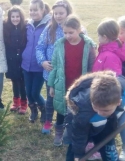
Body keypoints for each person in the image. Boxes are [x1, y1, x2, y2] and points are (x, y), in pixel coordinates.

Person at [47, 15, 96, 146]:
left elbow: (92, 67)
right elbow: (55, 65)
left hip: (80, 85)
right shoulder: (60, 45)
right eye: (65, 32)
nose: (67, 35)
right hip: (63, 84)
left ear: (79, 29)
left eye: (71, 32)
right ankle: (59, 132)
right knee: (61, 109)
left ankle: (73, 134)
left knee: (77, 110)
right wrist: (51, 85)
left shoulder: (88, 45)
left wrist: (90, 85)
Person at [92, 18, 125, 161]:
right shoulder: (104, 50)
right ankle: (98, 147)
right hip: (102, 94)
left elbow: (112, 80)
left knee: (117, 123)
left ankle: (123, 148)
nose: (97, 38)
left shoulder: (110, 56)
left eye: (98, 35)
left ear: (105, 37)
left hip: (110, 97)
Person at [35, 0, 73, 134]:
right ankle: (47, 122)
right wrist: (43, 62)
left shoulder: (74, 29)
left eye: (61, 13)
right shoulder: (49, 28)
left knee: (64, 99)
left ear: (68, 13)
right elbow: (39, 47)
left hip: (67, 72)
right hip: (50, 72)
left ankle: (61, 124)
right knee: (50, 98)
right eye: (55, 13)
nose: (58, 16)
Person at [22, 0, 51, 123]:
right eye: (31, 10)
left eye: (36, 10)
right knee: (28, 92)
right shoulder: (28, 24)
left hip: (39, 66)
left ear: (42, 10)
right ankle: (33, 111)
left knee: (35, 92)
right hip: (26, 65)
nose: (33, 12)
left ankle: (43, 109)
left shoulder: (49, 25)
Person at [3, 6, 27, 114]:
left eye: (17, 16)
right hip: (11, 59)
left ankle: (23, 104)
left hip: (22, 59)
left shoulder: (25, 27)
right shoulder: (6, 28)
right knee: (14, 81)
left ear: (21, 17)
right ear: (9, 17)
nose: (15, 19)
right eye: (13, 16)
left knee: (22, 82)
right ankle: (16, 102)